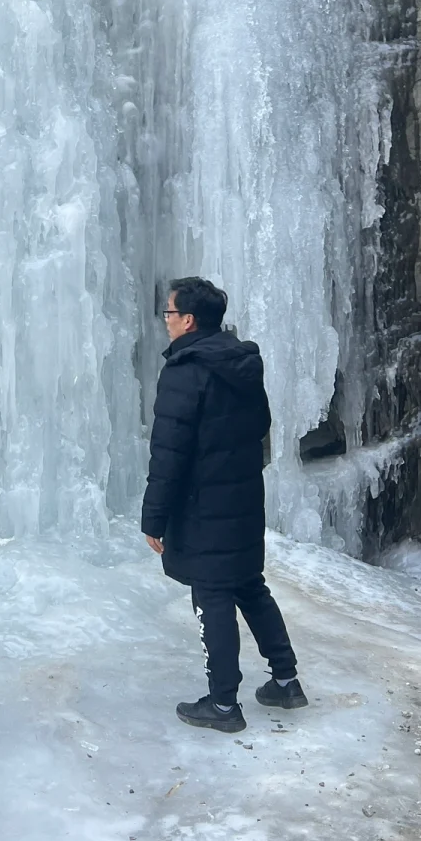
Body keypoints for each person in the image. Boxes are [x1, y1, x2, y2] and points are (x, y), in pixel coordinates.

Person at [140, 276, 308, 733]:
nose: (166, 321)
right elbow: (261, 425)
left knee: (212, 594)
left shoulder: (184, 370)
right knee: (249, 585)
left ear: (188, 320)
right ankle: (286, 681)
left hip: (202, 506)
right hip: (242, 497)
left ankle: (221, 705)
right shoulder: (241, 363)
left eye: (169, 313)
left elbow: (169, 452)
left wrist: (153, 517)